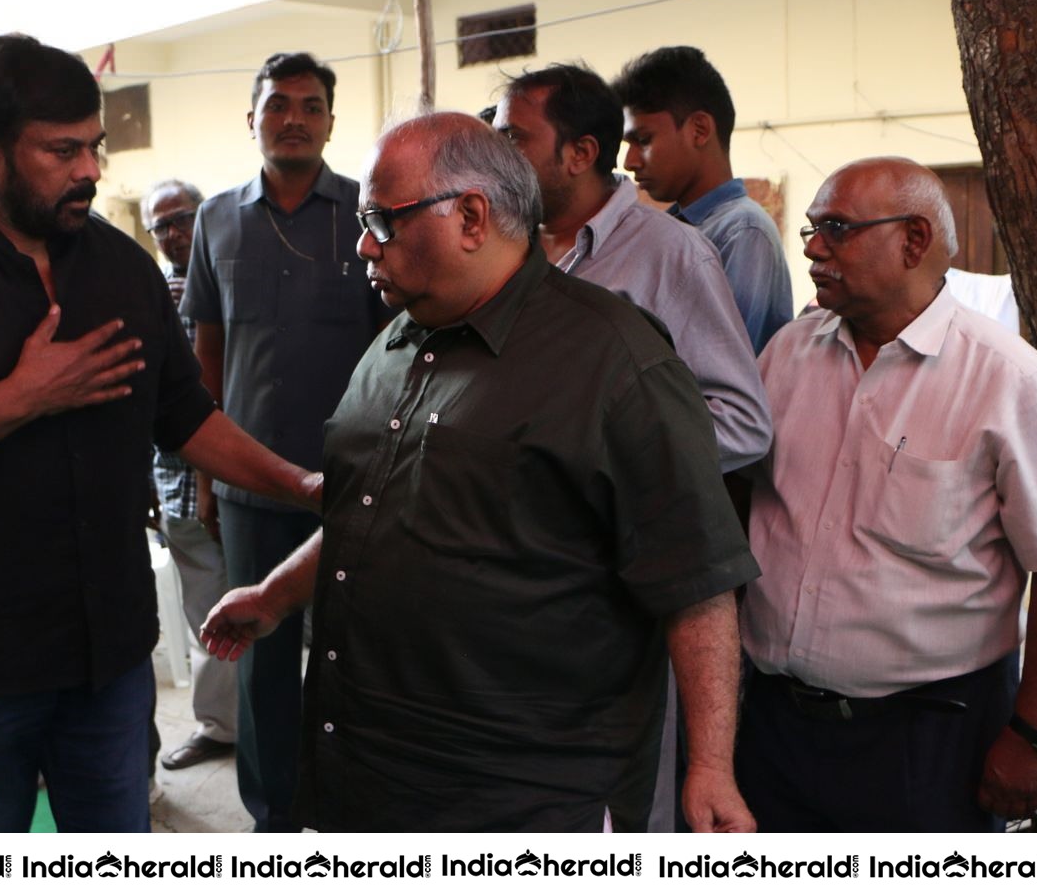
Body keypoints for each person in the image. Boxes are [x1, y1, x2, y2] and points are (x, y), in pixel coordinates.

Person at [0, 34, 321, 834]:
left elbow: (185, 418)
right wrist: (18, 398)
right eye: (61, 149)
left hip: (110, 654)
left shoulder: (121, 267)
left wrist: (301, 484)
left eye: (94, 146)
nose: (89, 169)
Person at [204, 113, 759, 833]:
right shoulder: (398, 342)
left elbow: (698, 583)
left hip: (518, 797)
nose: (363, 243)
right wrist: (277, 594)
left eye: (383, 219)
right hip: (373, 773)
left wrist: (712, 766)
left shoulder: (614, 361)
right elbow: (376, 505)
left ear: (471, 216)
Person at [735, 156, 1037, 832]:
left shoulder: (1009, 382)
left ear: (914, 239)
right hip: (774, 730)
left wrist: (1035, 736)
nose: (812, 247)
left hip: (929, 742)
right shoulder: (786, 354)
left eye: (836, 227)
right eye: (809, 229)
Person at [493, 64, 771, 832]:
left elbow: (744, 421)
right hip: (526, 586)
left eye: (513, 137)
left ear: (579, 153)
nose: (493, 153)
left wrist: (608, 462)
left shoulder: (669, 255)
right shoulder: (508, 252)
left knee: (621, 812)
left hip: (627, 593)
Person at [180, 50, 390, 832]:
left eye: (309, 105)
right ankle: (272, 817)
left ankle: (346, 807)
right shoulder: (216, 217)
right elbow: (207, 345)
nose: (293, 118)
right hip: (247, 484)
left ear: (330, 120)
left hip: (354, 479)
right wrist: (205, 475)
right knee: (260, 652)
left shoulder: (368, 212)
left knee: (353, 650)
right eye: (278, 105)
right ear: (253, 119)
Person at [613, 47, 793, 353]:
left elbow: (723, 366)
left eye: (643, 141)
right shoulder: (667, 229)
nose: (629, 162)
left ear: (699, 130)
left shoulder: (742, 231)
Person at [142, 180, 235, 772]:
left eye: (184, 218)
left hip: (233, 474)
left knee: (248, 610)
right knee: (207, 612)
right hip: (174, 480)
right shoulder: (147, 289)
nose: (176, 233)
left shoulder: (228, 281)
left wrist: (210, 481)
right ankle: (223, 726)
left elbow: (218, 391)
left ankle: (250, 726)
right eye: (162, 226)